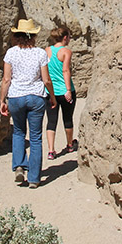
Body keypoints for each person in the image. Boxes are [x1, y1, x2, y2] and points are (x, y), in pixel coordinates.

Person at [0, 19, 56, 188]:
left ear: (17, 35)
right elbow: (46, 79)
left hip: (16, 96)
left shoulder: (11, 53)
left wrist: (2, 100)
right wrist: (52, 97)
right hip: (36, 97)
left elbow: (6, 79)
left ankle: (19, 166)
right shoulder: (40, 53)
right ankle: (34, 178)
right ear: (33, 36)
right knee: (36, 137)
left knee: (18, 132)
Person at [44, 26, 77, 160]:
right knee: (67, 118)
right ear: (64, 38)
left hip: (50, 91)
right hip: (64, 91)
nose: (69, 39)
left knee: (51, 121)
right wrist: (68, 90)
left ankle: (51, 151)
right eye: (69, 36)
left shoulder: (47, 51)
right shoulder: (66, 52)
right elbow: (66, 71)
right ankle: (69, 145)